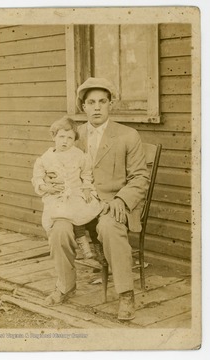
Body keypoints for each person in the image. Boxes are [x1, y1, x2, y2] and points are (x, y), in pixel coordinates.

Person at [45, 77, 149, 320]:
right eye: (91, 102)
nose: (97, 107)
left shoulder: (127, 135)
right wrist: (52, 181)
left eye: (103, 101)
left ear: (110, 103)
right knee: (59, 228)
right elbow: (55, 165)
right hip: (76, 206)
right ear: (84, 107)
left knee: (110, 227)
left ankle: (125, 294)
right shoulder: (73, 135)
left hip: (111, 204)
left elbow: (140, 177)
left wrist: (122, 201)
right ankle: (66, 286)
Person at [31, 116, 103, 262]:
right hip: (57, 196)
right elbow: (37, 178)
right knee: (65, 215)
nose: (65, 141)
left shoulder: (79, 156)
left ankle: (96, 245)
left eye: (70, 138)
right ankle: (81, 241)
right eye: (61, 137)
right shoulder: (45, 158)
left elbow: (86, 173)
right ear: (54, 137)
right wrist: (46, 187)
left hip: (76, 192)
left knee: (90, 210)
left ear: (74, 139)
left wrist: (87, 188)